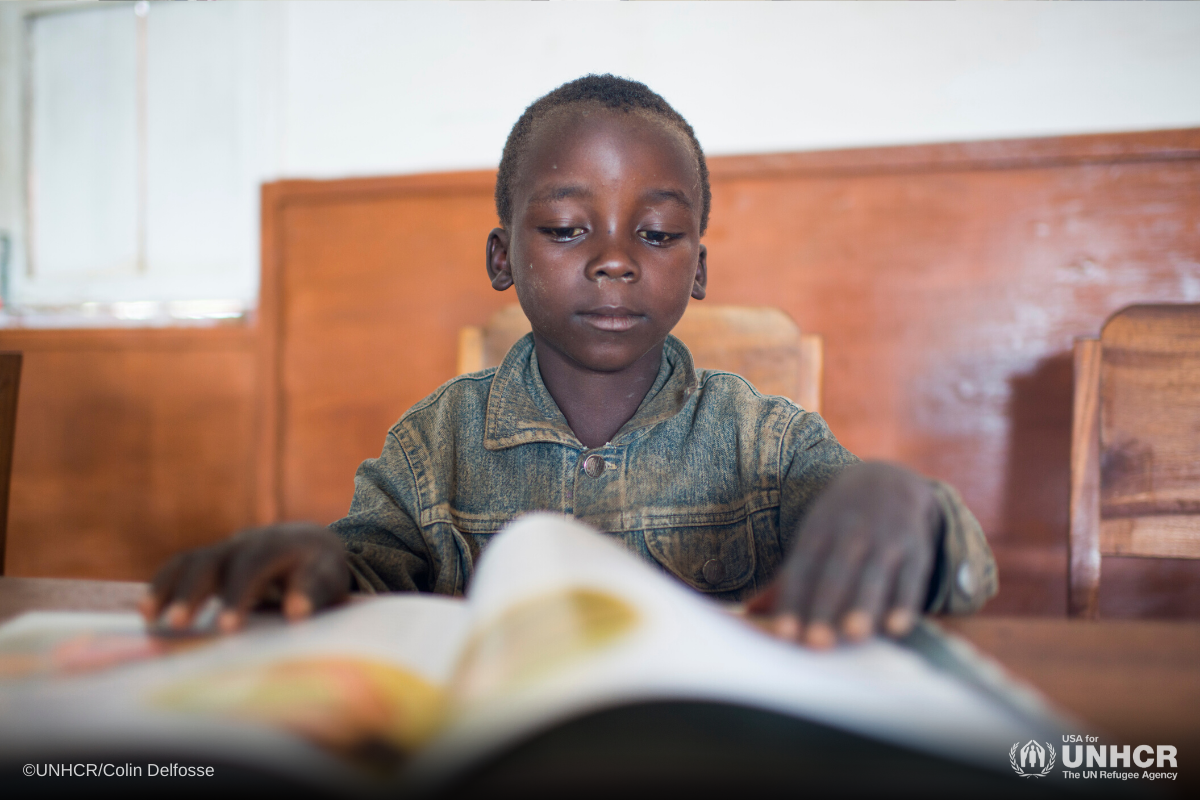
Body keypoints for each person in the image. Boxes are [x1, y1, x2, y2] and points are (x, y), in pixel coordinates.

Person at [142, 75, 996, 650]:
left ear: (697, 269)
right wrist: (317, 564)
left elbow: (950, 575)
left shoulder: (765, 444)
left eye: (656, 234)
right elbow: (359, 575)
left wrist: (910, 511)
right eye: (565, 228)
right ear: (501, 258)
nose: (615, 260)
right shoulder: (432, 445)